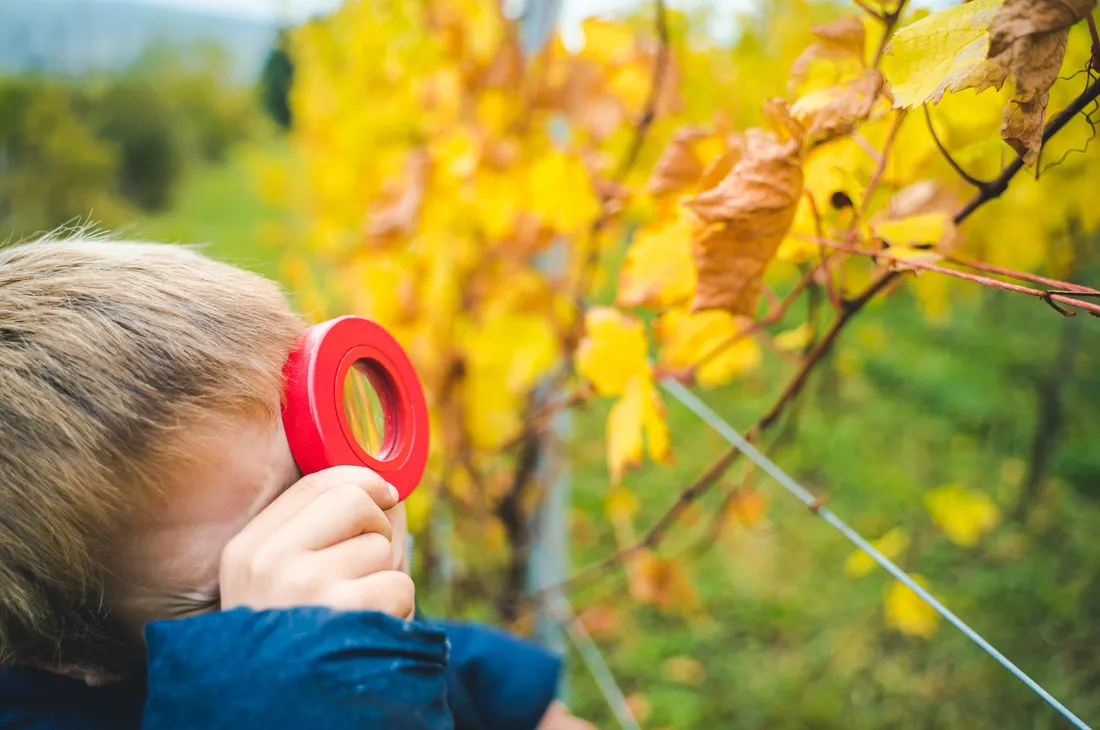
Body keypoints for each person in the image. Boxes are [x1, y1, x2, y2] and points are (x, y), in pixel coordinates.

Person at [0, 236, 595, 730]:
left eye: (312, 476)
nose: (327, 542)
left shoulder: (343, 608)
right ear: (69, 661)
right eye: (237, 585)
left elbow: (475, 678)